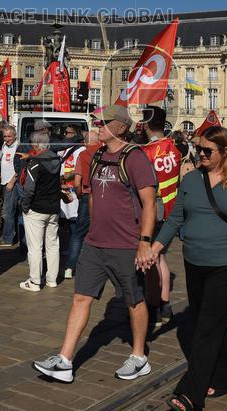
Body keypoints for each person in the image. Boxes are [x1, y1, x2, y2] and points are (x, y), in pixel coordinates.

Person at [33, 105, 157, 383]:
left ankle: (139, 357)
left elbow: (149, 203)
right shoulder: (99, 154)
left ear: (121, 127)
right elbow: (92, 196)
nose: (97, 125)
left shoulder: (135, 158)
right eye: (97, 121)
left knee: (134, 300)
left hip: (126, 244)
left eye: (103, 122)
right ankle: (65, 360)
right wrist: (90, 229)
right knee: (80, 297)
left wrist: (145, 241)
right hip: (95, 243)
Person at [152, 125, 227, 411]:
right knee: (209, 321)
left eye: (207, 150)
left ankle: (192, 393)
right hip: (194, 261)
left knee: (205, 329)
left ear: (225, 152)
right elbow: (175, 218)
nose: (200, 153)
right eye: (199, 148)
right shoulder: (191, 180)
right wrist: (156, 246)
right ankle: (226, 377)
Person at [142, 107, 181, 326]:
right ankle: (165, 305)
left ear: (146, 126)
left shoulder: (146, 152)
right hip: (171, 210)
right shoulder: (173, 148)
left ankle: (155, 306)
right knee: (162, 258)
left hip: (154, 212)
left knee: (151, 260)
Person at [19, 130, 61, 291]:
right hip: (53, 207)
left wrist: (25, 206)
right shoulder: (56, 158)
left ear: (36, 145)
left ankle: (35, 281)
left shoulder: (35, 162)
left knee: (35, 247)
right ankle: (52, 279)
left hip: (36, 208)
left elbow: (29, 189)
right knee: (52, 244)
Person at [65, 129, 100, 278]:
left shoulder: (83, 155)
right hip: (103, 197)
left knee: (78, 234)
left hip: (86, 196)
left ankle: (69, 267)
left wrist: (79, 195)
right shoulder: (104, 153)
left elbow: (77, 182)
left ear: (85, 142)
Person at [0, 125, 21, 246]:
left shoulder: (18, 146)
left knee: (8, 212)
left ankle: (8, 238)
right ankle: (11, 236)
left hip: (12, 184)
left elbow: (19, 167)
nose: (6, 139)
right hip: (4, 182)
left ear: (15, 135)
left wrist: (12, 182)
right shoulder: (4, 145)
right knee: (9, 211)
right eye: (5, 136)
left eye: (9, 136)